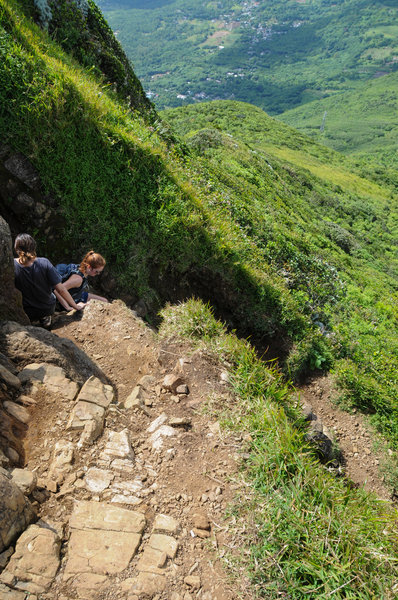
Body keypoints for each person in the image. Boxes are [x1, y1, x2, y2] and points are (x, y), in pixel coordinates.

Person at [14, 233, 84, 328]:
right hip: (46, 308)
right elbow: (61, 290)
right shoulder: (44, 263)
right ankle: (45, 319)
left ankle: (32, 322)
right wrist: (76, 307)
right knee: (51, 292)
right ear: (34, 247)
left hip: (27, 310)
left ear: (16, 249)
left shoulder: (12, 266)